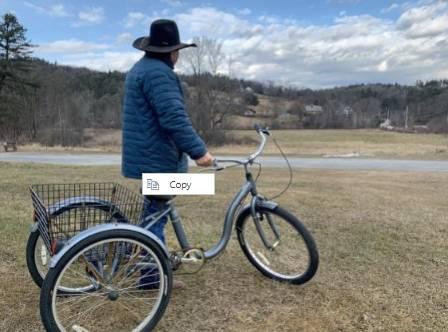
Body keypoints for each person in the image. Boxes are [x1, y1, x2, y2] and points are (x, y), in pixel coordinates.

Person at [122, 19, 214, 287]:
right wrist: (200, 152)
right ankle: (151, 278)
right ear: (171, 52)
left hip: (147, 156)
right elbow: (174, 118)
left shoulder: (140, 69)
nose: (178, 55)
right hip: (157, 159)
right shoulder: (159, 74)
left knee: (155, 211)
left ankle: (147, 261)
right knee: (156, 216)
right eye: (177, 50)